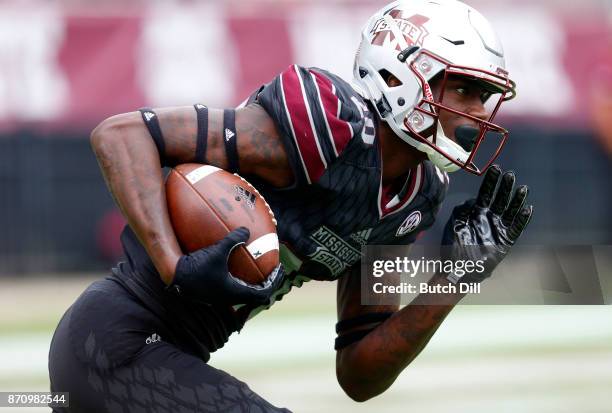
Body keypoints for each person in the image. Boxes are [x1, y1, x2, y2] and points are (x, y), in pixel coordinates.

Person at [48, 0, 533, 411]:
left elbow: (360, 374)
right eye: (465, 90)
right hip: (113, 341)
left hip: (169, 357)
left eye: (485, 96)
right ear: (402, 75)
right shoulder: (330, 125)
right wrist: (173, 265)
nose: (475, 114)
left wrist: (454, 279)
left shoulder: (416, 196)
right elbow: (121, 135)